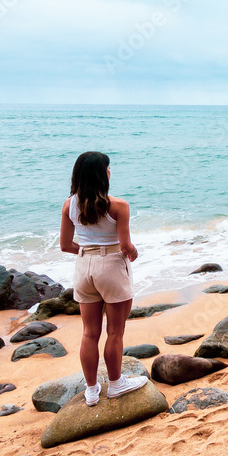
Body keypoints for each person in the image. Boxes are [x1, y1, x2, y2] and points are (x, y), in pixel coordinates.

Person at [59, 151, 149, 406]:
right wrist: (133, 253)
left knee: (89, 333)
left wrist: (88, 253)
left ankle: (91, 390)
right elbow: (125, 246)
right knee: (115, 332)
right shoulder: (118, 205)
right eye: (109, 168)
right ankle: (116, 384)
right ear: (104, 173)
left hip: (83, 268)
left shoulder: (69, 205)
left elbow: (65, 245)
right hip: (110, 268)